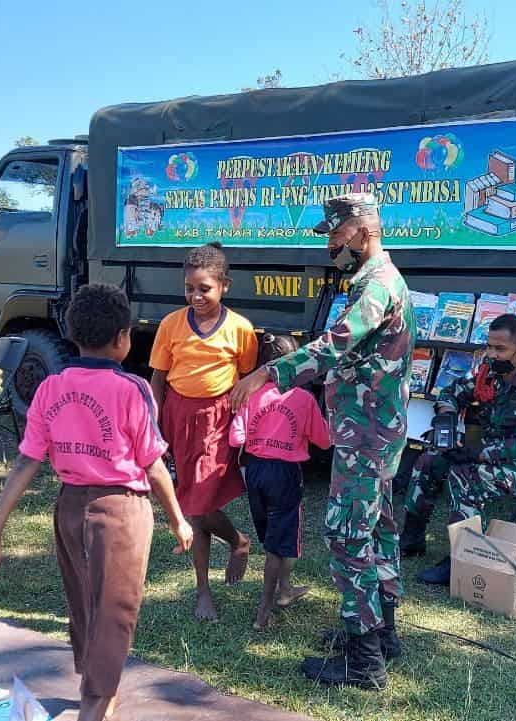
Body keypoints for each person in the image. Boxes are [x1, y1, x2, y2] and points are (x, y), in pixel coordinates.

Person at [0, 284, 194, 721]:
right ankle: (94, 704)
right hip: (122, 511)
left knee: (84, 603)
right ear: (123, 337)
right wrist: (178, 520)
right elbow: (152, 466)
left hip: (70, 509)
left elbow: (24, 463)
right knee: (115, 614)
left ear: (72, 335)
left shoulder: (51, 387)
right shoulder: (133, 390)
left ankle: (95, 688)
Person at [231, 192, 414, 690]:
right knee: (378, 531)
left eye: (335, 231)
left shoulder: (376, 285)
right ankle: (383, 635)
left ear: (361, 227)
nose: (330, 242)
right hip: (376, 432)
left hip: (366, 433)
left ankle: (364, 662)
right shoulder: (378, 280)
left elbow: (334, 346)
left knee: (349, 536)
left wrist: (269, 373)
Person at [402, 313, 516, 585]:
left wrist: (474, 454)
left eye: (500, 349)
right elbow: (451, 392)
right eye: (489, 346)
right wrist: (448, 420)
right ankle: (412, 537)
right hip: (492, 454)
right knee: (430, 460)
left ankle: (461, 560)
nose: (492, 354)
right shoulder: (488, 371)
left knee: (466, 475)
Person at [149, 242, 258, 622]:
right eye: (189, 288)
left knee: (197, 505)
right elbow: (158, 379)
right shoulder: (170, 325)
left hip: (218, 417)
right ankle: (236, 540)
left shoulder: (242, 329)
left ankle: (203, 593)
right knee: (196, 501)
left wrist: (244, 426)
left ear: (224, 285)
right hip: (179, 415)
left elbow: (246, 380)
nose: (196, 296)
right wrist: (154, 422)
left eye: (205, 288)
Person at [228, 332, 332, 631]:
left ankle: (285, 590)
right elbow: (323, 442)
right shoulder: (302, 398)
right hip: (285, 474)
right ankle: (264, 613)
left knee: (273, 536)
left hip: (256, 472)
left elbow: (236, 437)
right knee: (280, 543)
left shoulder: (249, 395)